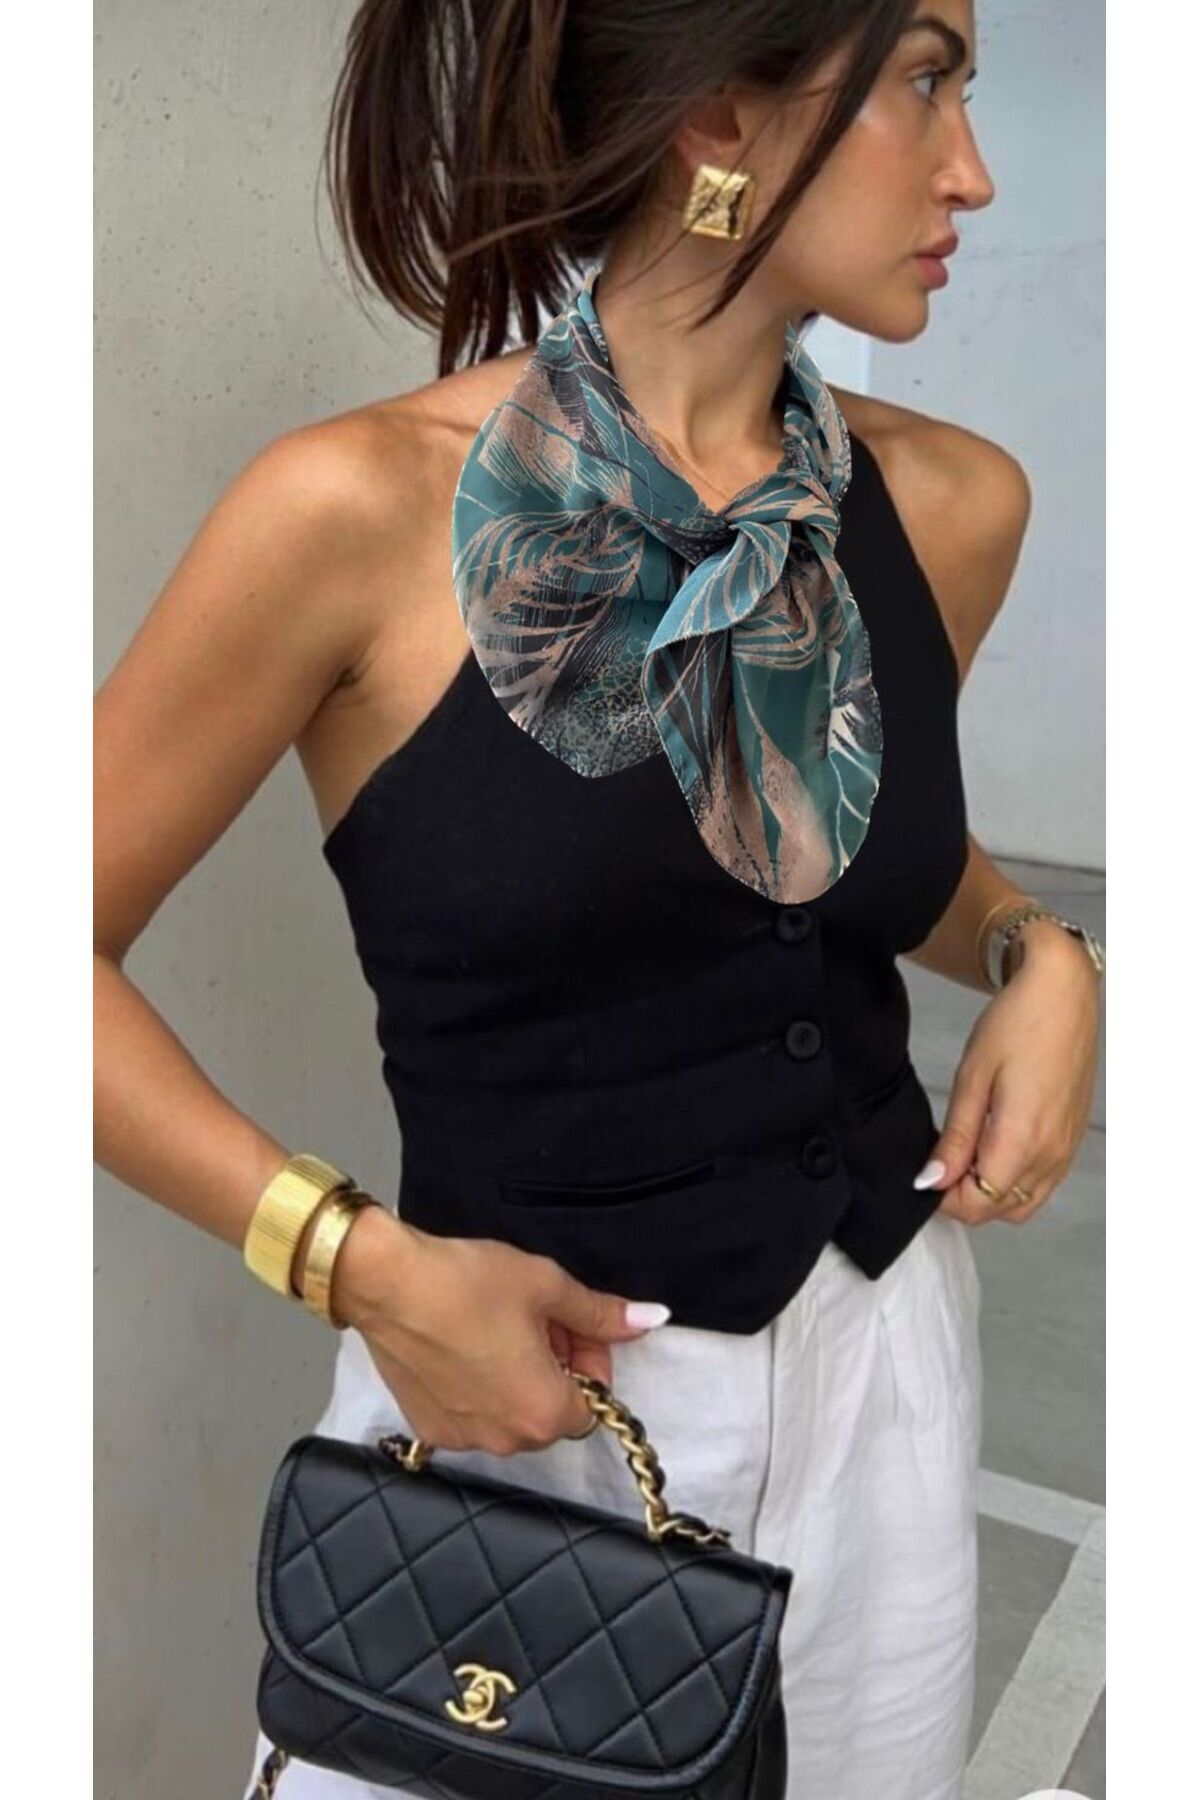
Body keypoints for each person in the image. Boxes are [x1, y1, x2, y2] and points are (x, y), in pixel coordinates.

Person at [93, 2, 1104, 1797]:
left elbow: (840, 857)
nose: (974, 173)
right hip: (520, 1411)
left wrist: (1041, 952)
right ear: (721, 119)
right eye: (926, 78)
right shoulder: (353, 514)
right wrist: (350, 1263)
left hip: (882, 1378)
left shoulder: (950, 508)